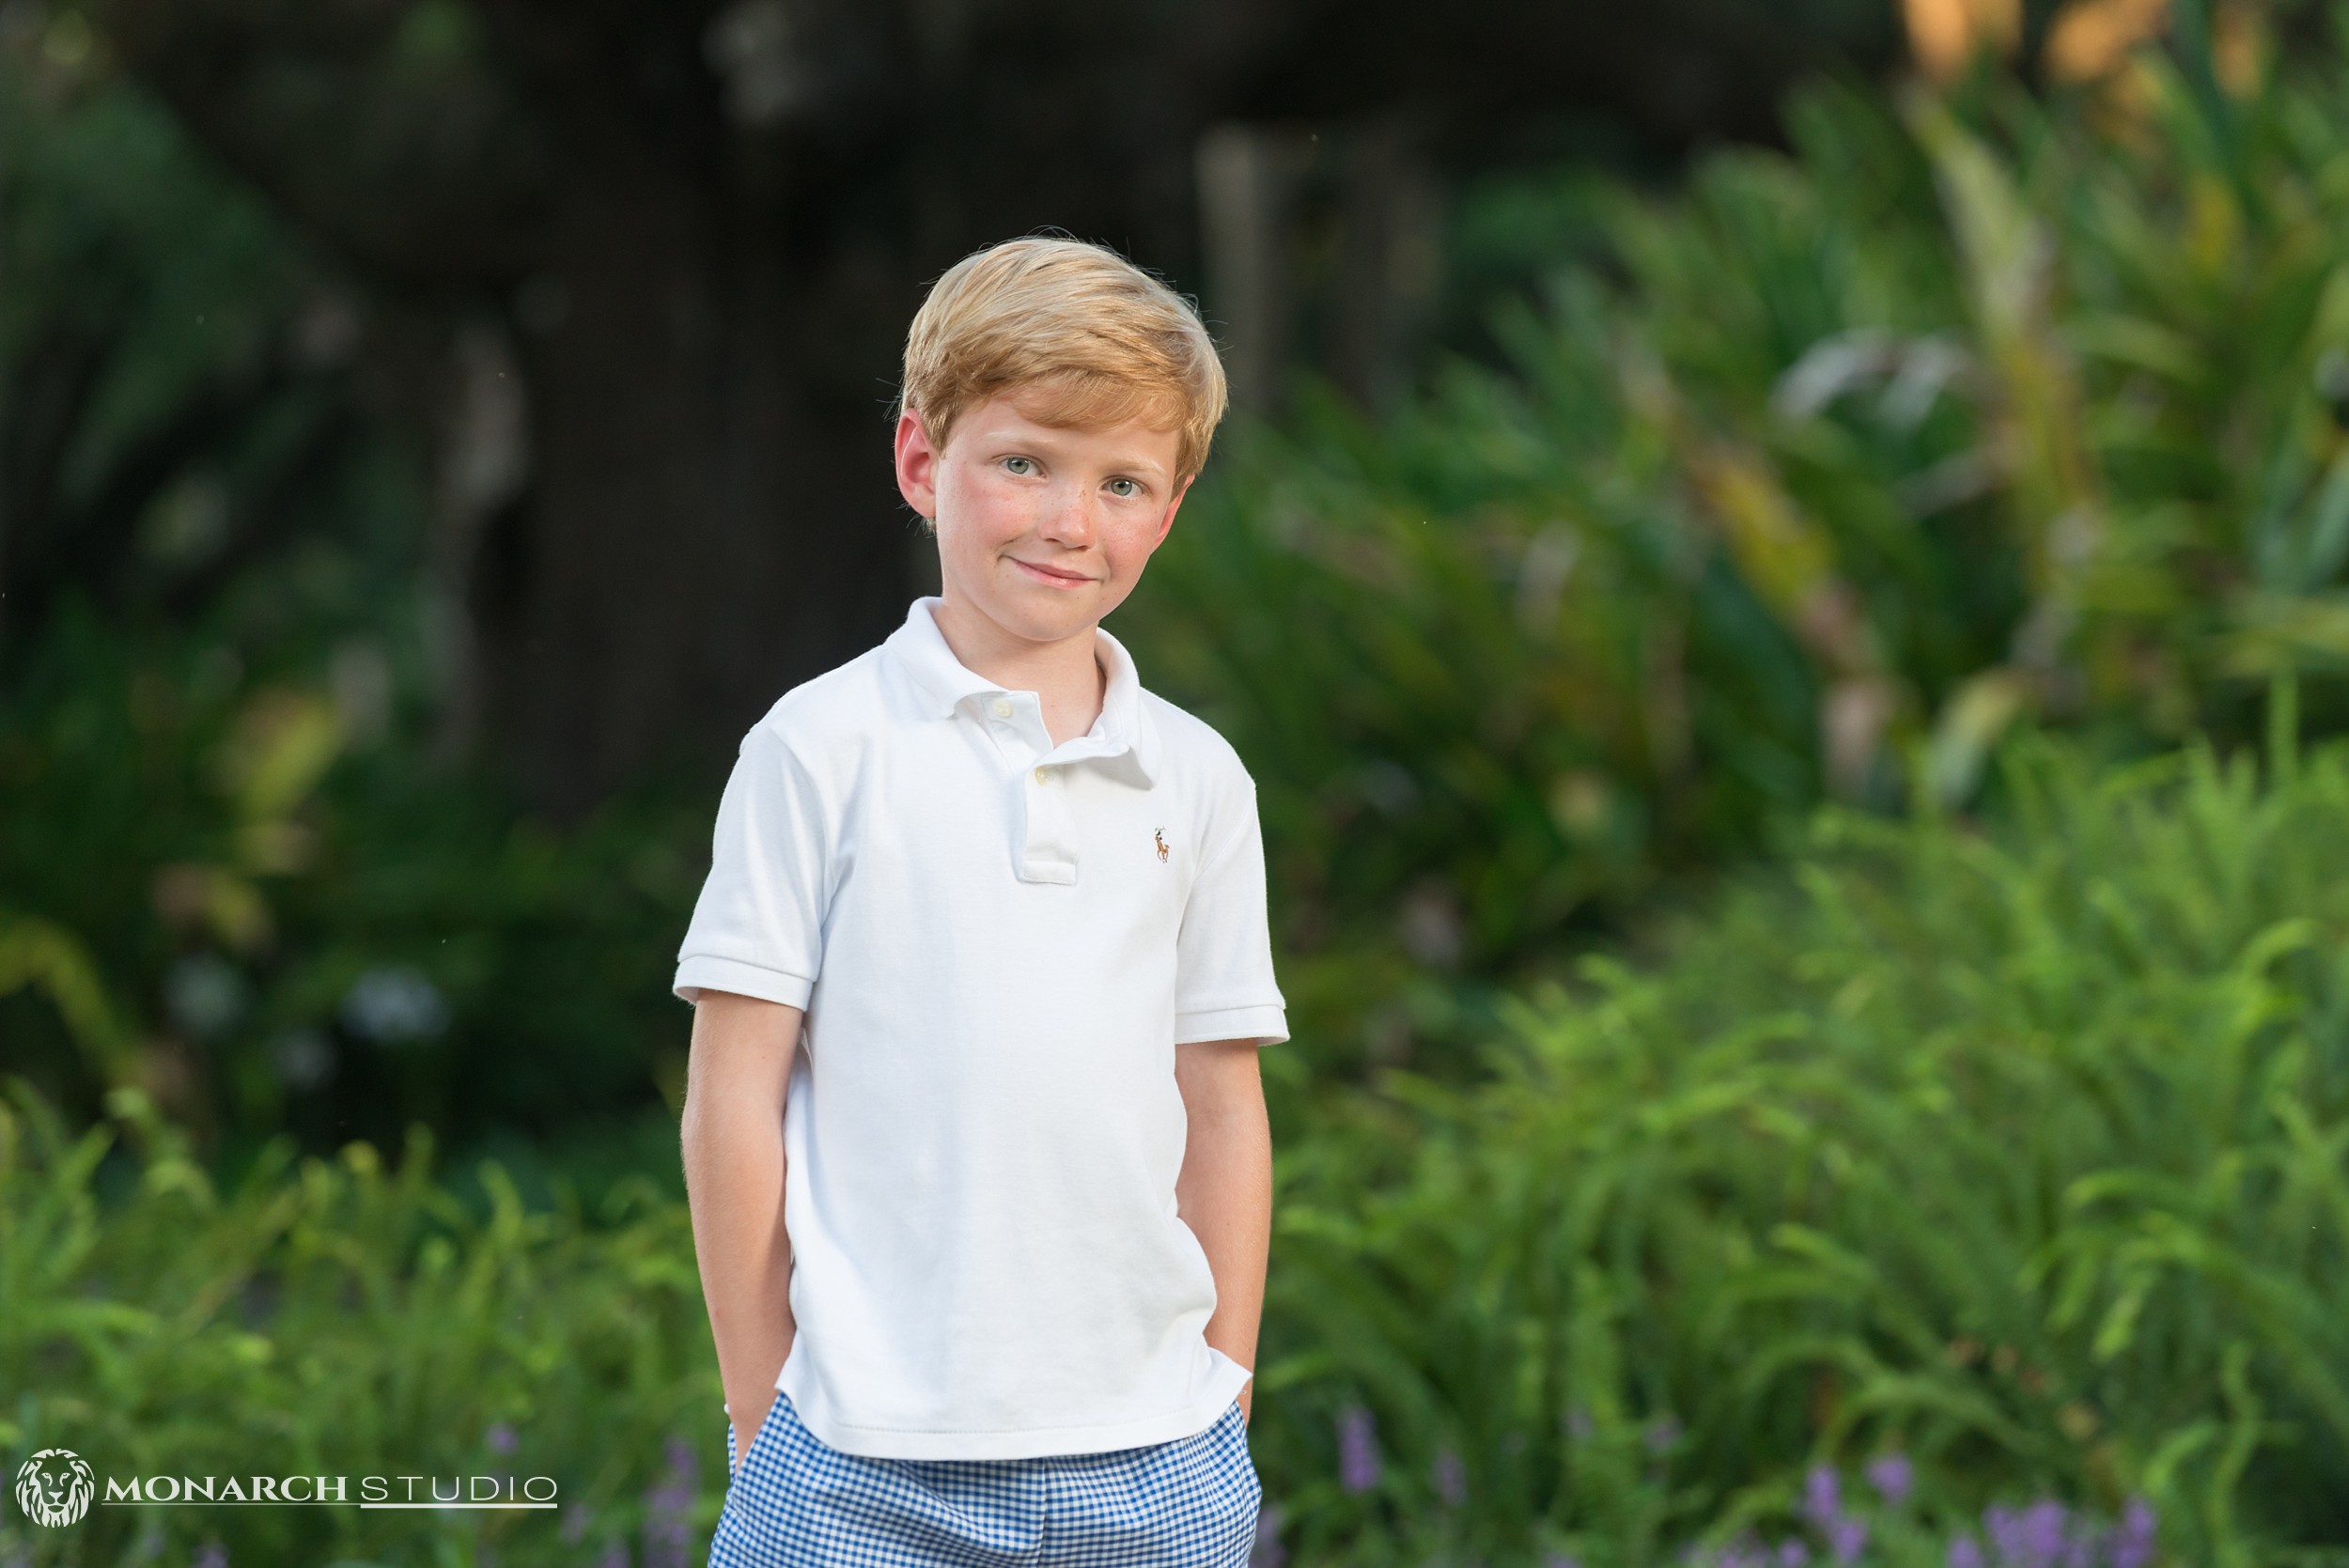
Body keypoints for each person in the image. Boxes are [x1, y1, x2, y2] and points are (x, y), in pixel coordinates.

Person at [675, 236, 1286, 1567]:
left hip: (1154, 1459)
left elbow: (1222, 1095)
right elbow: (733, 1089)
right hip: (852, 1464)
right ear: (919, 462)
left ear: (1168, 510)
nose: (1073, 519)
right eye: (1026, 462)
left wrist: (1226, 1385)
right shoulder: (817, 749)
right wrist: (758, 1397)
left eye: (1123, 481)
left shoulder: (1197, 775)